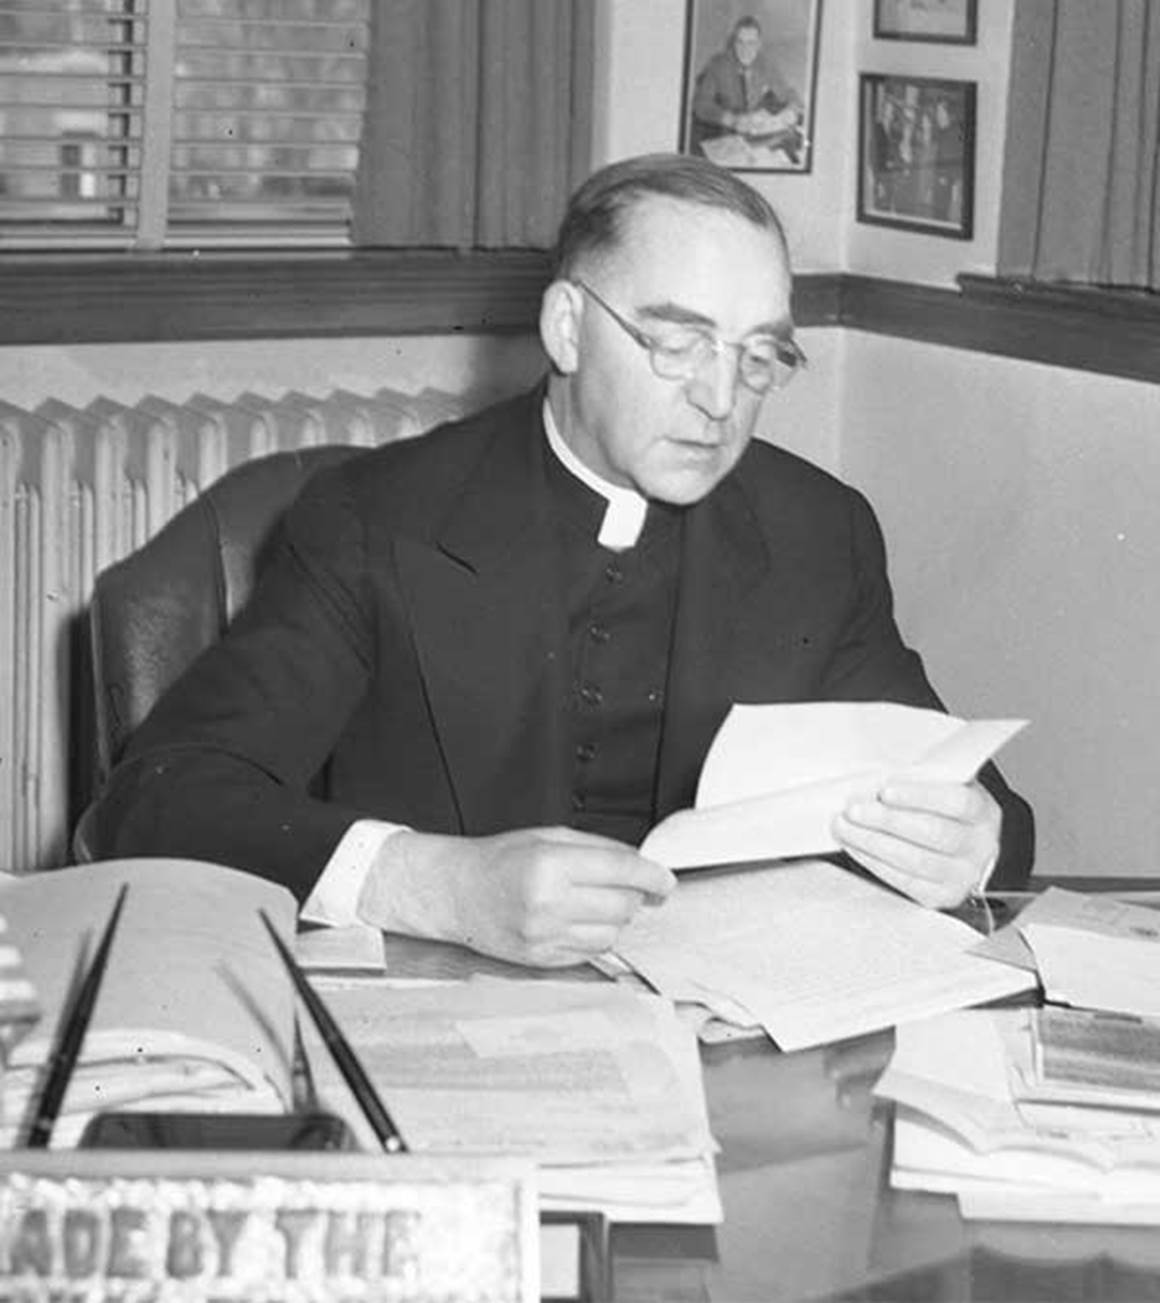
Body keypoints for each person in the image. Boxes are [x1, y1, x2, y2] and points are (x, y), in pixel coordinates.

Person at [89, 152, 1034, 968]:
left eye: (757, 357)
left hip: (725, 1034)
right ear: (567, 329)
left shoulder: (818, 529)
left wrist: (974, 842)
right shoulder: (377, 518)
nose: (720, 399)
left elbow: (961, 783)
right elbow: (157, 799)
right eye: (677, 342)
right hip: (449, 1018)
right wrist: (432, 884)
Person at [689, 15, 803, 161]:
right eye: (740, 42)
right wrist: (731, 120)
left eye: (751, 43)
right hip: (719, 131)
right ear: (733, 43)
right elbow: (700, 105)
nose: (745, 49)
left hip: (752, 135)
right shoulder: (717, 65)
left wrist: (791, 111)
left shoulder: (766, 64)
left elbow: (789, 94)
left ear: (759, 44)